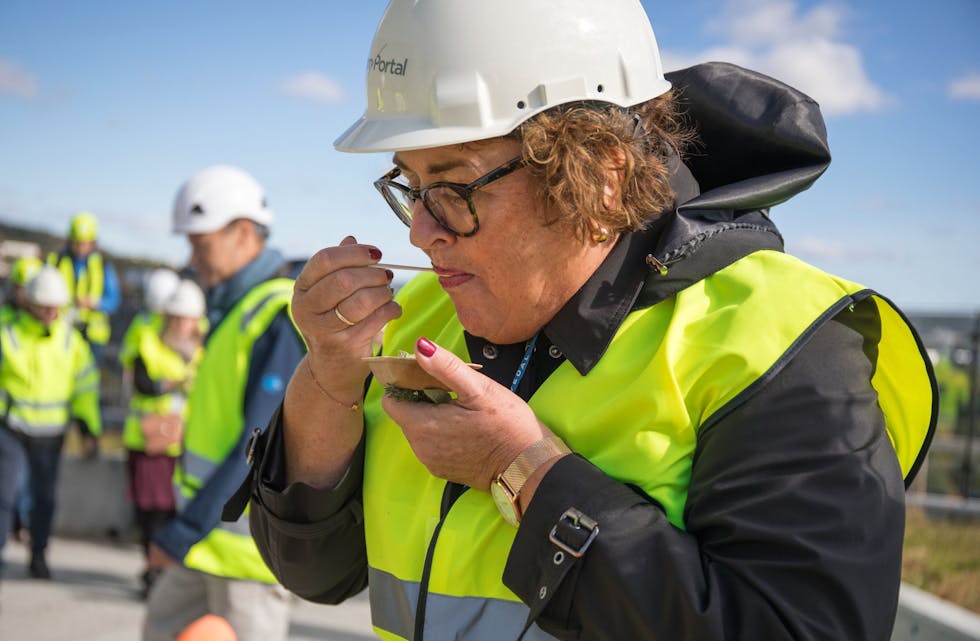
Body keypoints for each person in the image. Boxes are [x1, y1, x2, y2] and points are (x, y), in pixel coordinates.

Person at [233, 1, 939, 640]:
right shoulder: (419, 316)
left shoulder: (780, 343)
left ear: (597, 172)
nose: (421, 231)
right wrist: (327, 378)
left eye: (451, 187)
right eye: (410, 186)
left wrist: (526, 470)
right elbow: (316, 574)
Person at [142, 165, 306, 641]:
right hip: (205, 542)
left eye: (201, 242)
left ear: (243, 233)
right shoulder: (236, 309)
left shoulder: (276, 313)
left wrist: (179, 532)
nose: (192, 258)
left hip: (246, 557)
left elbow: (254, 446)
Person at [0, 266, 101, 580]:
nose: (50, 313)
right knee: (4, 493)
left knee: (44, 498)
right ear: (29, 302)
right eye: (44, 306)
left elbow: (86, 387)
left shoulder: (72, 342)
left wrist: (88, 427)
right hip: (11, 428)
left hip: (52, 432)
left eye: (55, 307)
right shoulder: (9, 335)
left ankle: (39, 555)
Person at [122, 278, 206, 598]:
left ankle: (164, 571)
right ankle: (153, 569)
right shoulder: (148, 340)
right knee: (151, 511)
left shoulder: (204, 348)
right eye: (179, 317)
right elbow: (144, 383)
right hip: (151, 440)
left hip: (185, 442)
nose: (184, 324)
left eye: (190, 318)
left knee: (173, 510)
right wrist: (174, 383)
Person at [47, 211, 122, 364]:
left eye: (85, 243)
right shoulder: (55, 261)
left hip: (93, 335)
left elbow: (114, 299)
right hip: (61, 329)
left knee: (89, 380)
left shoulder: (103, 265)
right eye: (77, 242)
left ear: (93, 242)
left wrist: (95, 303)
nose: (81, 247)